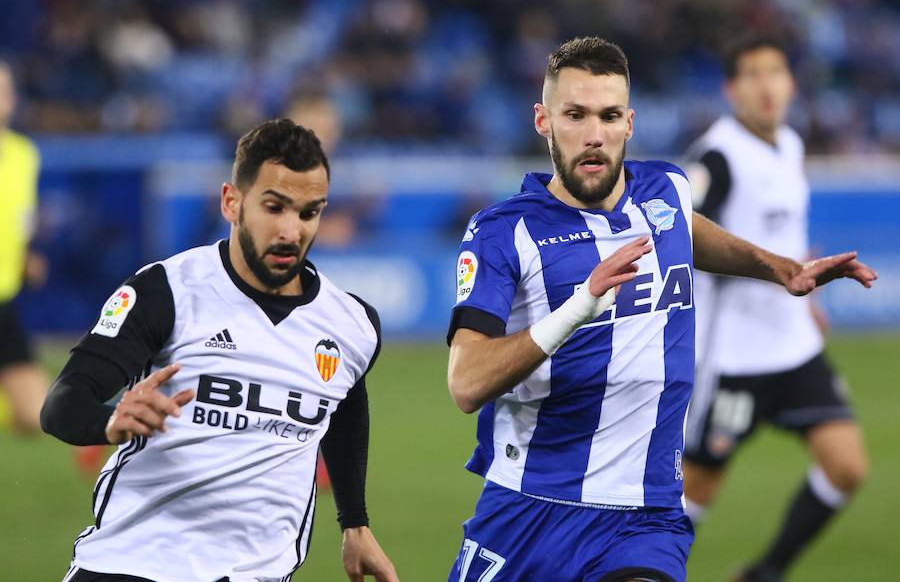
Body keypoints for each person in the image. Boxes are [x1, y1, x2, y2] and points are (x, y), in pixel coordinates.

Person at [445, 37, 876, 582]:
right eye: (574, 115)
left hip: (646, 519)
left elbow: (689, 230)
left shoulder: (666, 190)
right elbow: (466, 382)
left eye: (608, 116)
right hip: (531, 509)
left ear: (630, 122)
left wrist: (780, 268)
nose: (594, 135)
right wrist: (580, 306)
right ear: (543, 120)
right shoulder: (505, 232)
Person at [40, 119, 399, 582]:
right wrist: (108, 421)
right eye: (274, 207)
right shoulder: (167, 290)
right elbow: (62, 403)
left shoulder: (352, 325)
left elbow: (345, 406)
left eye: (309, 213)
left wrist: (355, 522)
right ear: (232, 202)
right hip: (130, 565)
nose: (291, 231)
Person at [681, 35, 869, 582]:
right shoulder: (715, 157)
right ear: (730, 89)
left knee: (847, 466)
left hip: (794, 347)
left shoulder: (788, 143)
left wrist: (806, 291)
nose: (766, 87)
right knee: (694, 497)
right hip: (733, 356)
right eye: (752, 75)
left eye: (775, 73)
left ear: (790, 83)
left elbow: (787, 231)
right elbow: (688, 240)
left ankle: (763, 574)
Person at [0, 60, 49, 435]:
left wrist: (26, 255)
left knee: (36, 416)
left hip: (5, 300)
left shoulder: (24, 154)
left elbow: (21, 219)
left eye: (5, 92)